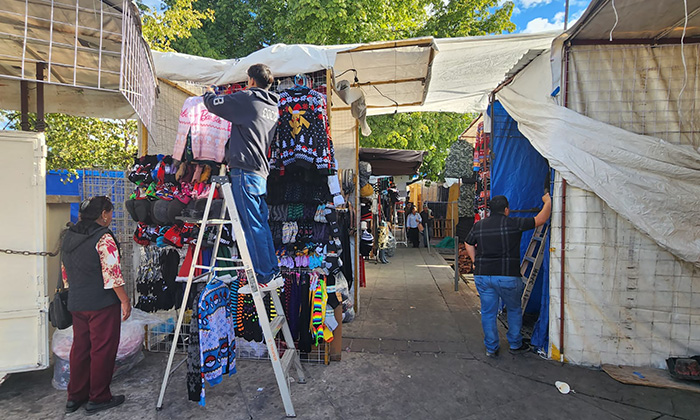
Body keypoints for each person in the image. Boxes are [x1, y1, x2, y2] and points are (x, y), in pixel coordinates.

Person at [203, 63, 281, 284]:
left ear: (252, 81)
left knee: (251, 226)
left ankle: (263, 276)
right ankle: (272, 271)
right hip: (260, 173)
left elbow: (215, 104)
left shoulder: (248, 98)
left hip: (244, 171)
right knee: (260, 224)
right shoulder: (272, 106)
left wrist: (208, 94)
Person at [61, 196, 131, 414]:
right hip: (101, 303)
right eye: (110, 212)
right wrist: (125, 300)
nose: (111, 217)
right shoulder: (104, 237)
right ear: (103, 214)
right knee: (102, 350)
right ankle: (98, 397)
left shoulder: (69, 236)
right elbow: (112, 275)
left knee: (80, 349)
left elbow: (65, 273)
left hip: (77, 301)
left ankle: (75, 397)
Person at [464, 193, 551, 358]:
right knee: (514, 309)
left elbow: (468, 242)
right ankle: (515, 344)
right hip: (508, 276)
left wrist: (475, 261)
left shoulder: (479, 225)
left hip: (483, 275)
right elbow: (540, 219)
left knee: (488, 312)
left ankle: (491, 348)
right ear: (506, 210)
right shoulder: (513, 223)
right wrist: (548, 201)